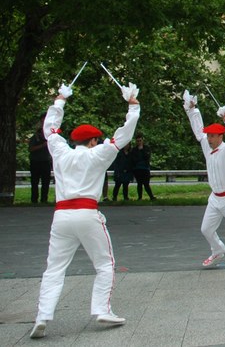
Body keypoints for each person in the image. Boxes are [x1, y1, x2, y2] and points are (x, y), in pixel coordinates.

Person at [30, 81, 140, 339]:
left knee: (54, 268)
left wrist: (60, 100)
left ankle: (42, 316)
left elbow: (50, 129)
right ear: (92, 141)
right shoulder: (98, 153)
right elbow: (123, 135)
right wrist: (133, 104)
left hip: (61, 216)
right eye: (96, 139)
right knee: (104, 263)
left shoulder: (60, 151)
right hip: (87, 213)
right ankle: (101, 309)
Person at [183, 90, 225, 272]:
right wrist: (192, 109)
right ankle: (218, 249)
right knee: (206, 229)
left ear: (221, 136)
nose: (209, 138)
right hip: (215, 197)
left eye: (213, 136)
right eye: (209, 136)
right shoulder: (207, 145)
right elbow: (198, 131)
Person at [28, 113, 52, 204]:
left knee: (46, 183)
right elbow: (31, 149)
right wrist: (42, 145)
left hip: (46, 161)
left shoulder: (50, 137)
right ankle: (34, 200)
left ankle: (44, 200)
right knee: (34, 182)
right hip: (36, 161)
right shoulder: (35, 137)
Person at [130, 133, 154, 200]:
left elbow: (147, 157)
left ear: (142, 141)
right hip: (137, 169)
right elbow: (134, 159)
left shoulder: (146, 148)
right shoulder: (134, 150)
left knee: (146, 183)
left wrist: (142, 150)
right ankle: (140, 197)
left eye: (140, 140)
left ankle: (151, 196)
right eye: (138, 141)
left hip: (145, 168)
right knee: (139, 184)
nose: (139, 142)